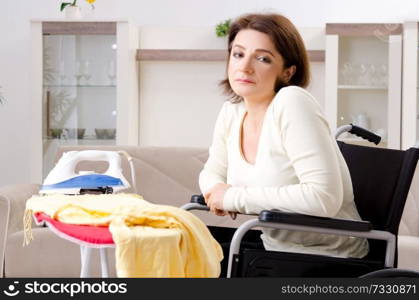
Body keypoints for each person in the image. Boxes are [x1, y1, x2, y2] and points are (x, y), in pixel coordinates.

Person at [199, 12, 369, 269]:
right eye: (238, 54)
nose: (244, 67)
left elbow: (322, 197)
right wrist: (217, 193)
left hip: (331, 262)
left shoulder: (292, 102)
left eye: (263, 58)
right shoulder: (231, 113)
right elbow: (211, 173)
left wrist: (233, 197)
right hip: (272, 252)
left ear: (288, 72)